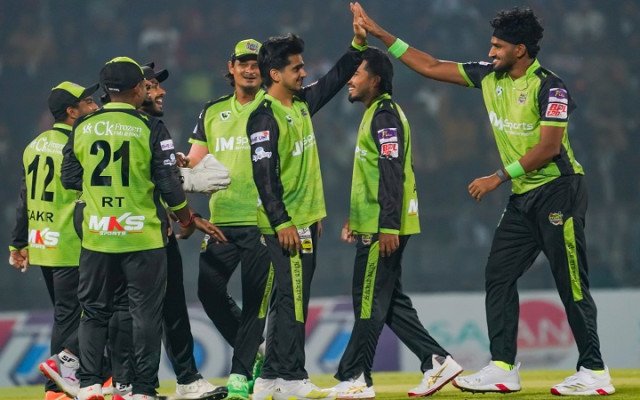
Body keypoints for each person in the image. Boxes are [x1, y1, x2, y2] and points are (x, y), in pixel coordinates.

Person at [352, 3, 615, 396]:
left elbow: (549, 148)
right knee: (498, 274)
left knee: (570, 280)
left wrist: (497, 177)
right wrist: (380, 34)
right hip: (524, 196)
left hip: (559, 190)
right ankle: (503, 367)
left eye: (498, 46)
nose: (490, 52)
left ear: (520, 50)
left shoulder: (551, 87)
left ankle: (594, 370)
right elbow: (430, 65)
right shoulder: (489, 76)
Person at [60, 56, 225, 400]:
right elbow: (168, 186)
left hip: (98, 236)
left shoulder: (83, 125)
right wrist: (185, 217)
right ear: (138, 89)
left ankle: (89, 386)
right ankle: (143, 390)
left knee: (94, 312)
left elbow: (70, 178)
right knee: (145, 314)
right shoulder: (150, 127)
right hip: (142, 237)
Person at [330, 47, 463, 399]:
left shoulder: (385, 116)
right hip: (374, 223)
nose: (350, 80)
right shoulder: (375, 113)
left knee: (367, 301)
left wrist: (388, 225)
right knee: (388, 302)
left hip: (383, 227)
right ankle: (435, 360)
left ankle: (357, 377)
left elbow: (392, 173)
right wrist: (355, 218)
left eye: (356, 74)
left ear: (375, 80)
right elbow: (372, 176)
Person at [246, 17, 366, 400]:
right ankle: (294, 377)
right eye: (296, 67)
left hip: (304, 221)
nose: (304, 72)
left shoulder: (299, 104)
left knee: (287, 299)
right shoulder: (264, 116)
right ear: (275, 74)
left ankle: (271, 379)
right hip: (287, 225)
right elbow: (264, 176)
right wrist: (282, 221)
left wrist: (357, 44)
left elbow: (333, 80)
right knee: (295, 299)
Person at [181, 40, 272, 400]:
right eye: (244, 63)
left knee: (254, 299)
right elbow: (194, 161)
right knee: (209, 292)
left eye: (257, 64)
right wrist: (179, 167)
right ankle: (256, 353)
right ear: (231, 67)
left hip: (262, 219)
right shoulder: (212, 110)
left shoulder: (274, 105)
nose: (250, 70)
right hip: (222, 219)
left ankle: (240, 374)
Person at [9, 81, 98, 400]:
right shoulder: (78, 145)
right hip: (70, 243)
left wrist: (18, 242)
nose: (94, 106)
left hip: (43, 242)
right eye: (87, 102)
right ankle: (59, 385)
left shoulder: (34, 145)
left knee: (66, 315)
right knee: (88, 313)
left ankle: (63, 387)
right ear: (72, 112)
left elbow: (25, 197)